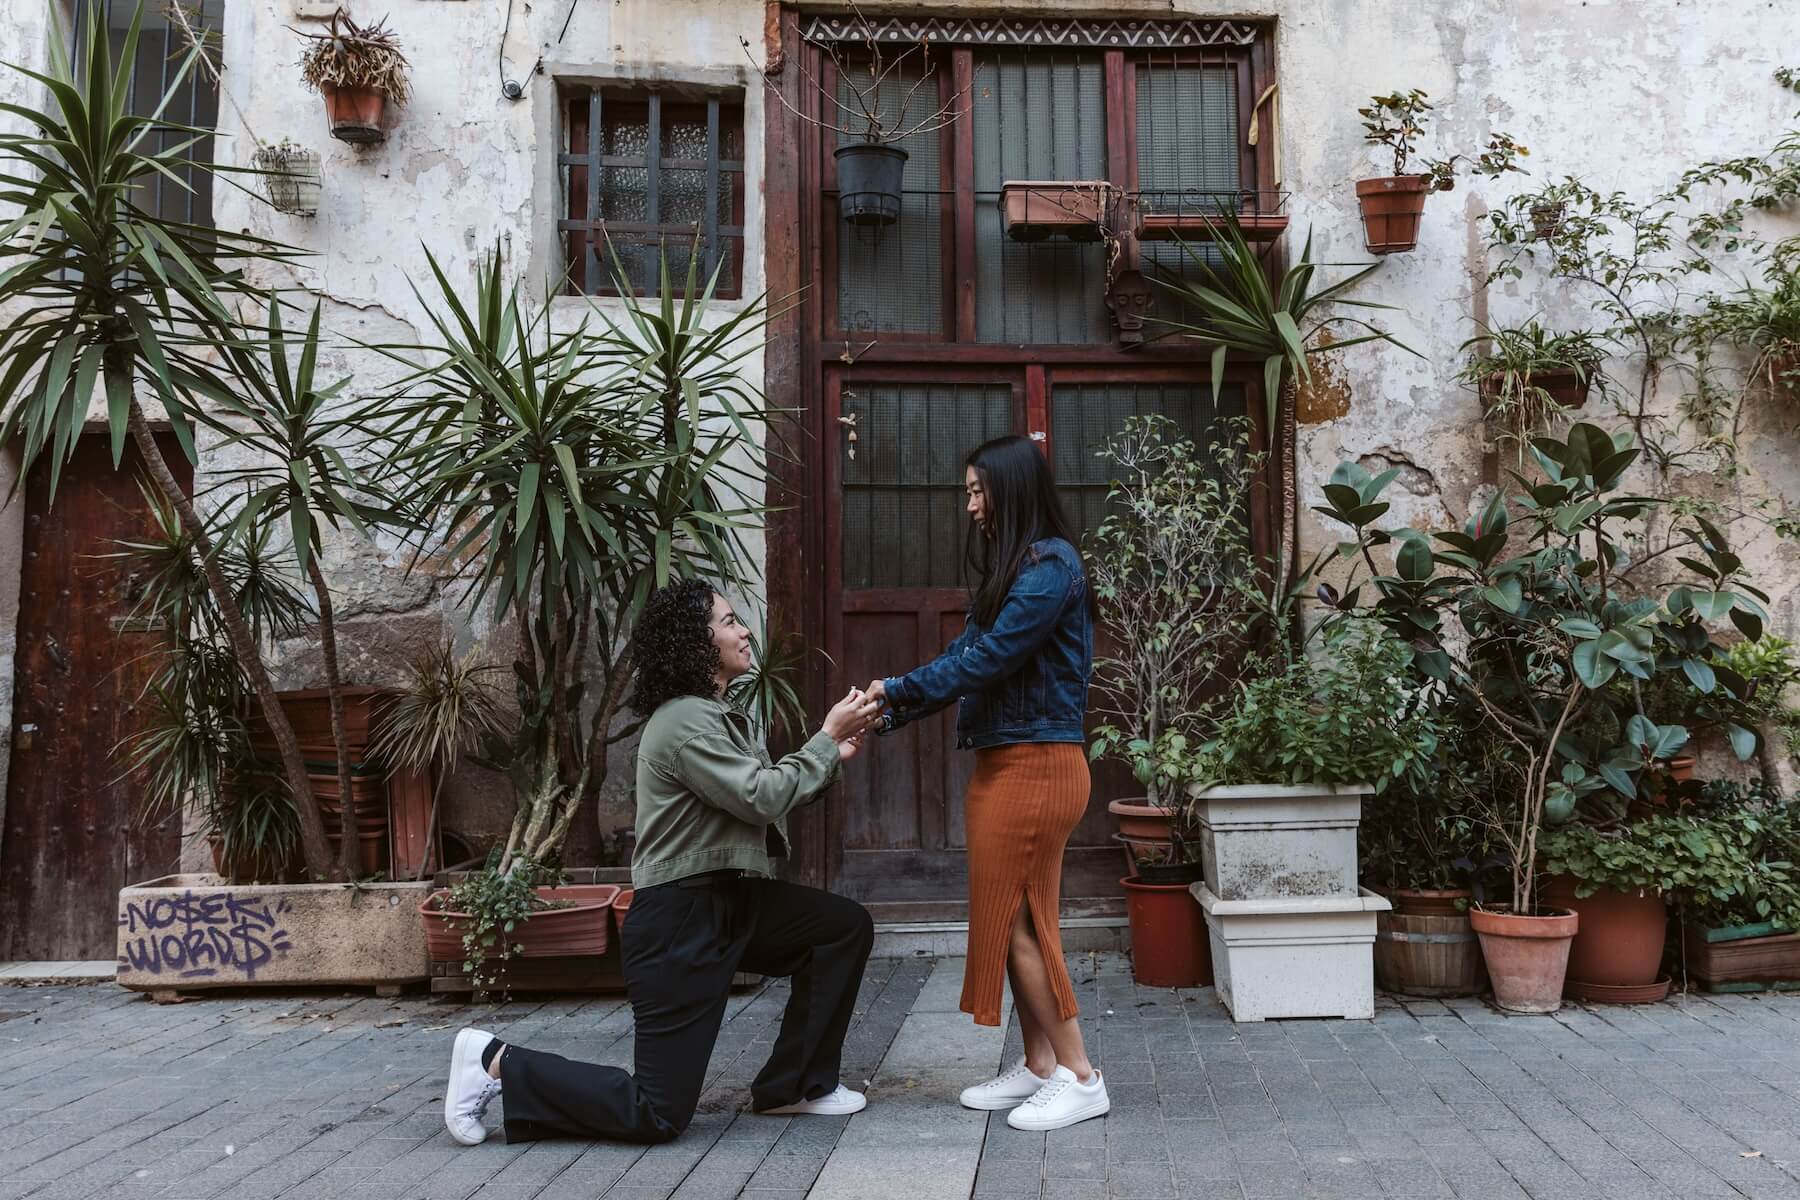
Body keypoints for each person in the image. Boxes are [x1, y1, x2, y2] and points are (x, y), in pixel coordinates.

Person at [442, 578, 883, 1146]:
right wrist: (825, 739)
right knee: (657, 1112)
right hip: (680, 919)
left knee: (839, 930)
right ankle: (495, 1060)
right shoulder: (684, 721)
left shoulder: (716, 713)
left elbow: (757, 797)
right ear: (695, 644)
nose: (744, 631)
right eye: (729, 622)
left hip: (729, 898)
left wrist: (829, 757)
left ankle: (794, 1086)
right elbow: (761, 795)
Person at [865, 434, 1107, 1132]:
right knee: (1007, 921)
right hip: (1008, 762)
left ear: (1011, 489)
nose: (970, 505)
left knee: (1026, 923)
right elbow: (966, 651)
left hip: (1037, 764)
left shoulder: (1050, 568)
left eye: (977, 490)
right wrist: (888, 706)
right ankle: (1039, 1066)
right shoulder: (1020, 568)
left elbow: (991, 659)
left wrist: (895, 691)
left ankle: (1082, 1077)